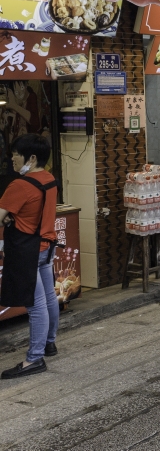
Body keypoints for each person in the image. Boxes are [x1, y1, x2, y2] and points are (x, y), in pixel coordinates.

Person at [0, 134, 60, 379]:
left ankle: (34, 359)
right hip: (45, 245)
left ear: (31, 158)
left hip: (27, 250)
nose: (12, 158)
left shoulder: (20, 185)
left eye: (15, 153)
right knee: (48, 297)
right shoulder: (49, 179)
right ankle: (49, 343)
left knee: (35, 305)